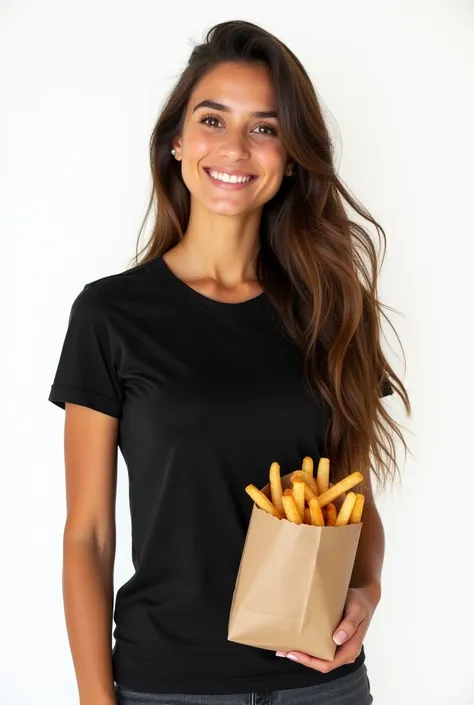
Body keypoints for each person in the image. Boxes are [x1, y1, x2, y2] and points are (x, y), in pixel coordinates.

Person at [48, 19, 411, 705]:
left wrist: (367, 589)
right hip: (168, 686)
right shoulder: (110, 316)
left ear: (292, 157)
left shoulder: (334, 309)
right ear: (178, 141)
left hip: (321, 686)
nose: (235, 147)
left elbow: (353, 494)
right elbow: (88, 536)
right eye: (213, 119)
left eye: (266, 128)